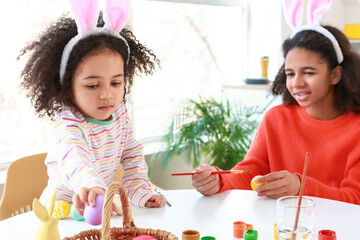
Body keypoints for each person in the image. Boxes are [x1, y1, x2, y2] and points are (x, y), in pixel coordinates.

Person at [19, 0, 165, 214]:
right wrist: (92, 186)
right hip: (61, 210)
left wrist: (141, 191)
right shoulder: (67, 122)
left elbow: (131, 153)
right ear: (67, 88)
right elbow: (75, 157)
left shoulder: (119, 113)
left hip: (97, 201)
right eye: (93, 85)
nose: (107, 94)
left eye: (116, 83)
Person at [191, 24, 360, 205]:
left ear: (335, 74)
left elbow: (354, 198)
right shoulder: (276, 118)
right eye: (290, 74)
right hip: (281, 227)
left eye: (308, 73)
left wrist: (301, 187)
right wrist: (219, 181)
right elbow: (252, 172)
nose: (296, 83)